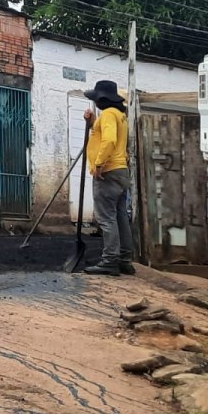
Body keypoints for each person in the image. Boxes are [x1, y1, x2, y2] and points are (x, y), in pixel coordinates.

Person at [81, 80, 133, 276]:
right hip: (121, 171)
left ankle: (110, 260)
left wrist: (100, 164)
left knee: (106, 218)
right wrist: (93, 123)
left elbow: (110, 140)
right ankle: (125, 260)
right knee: (120, 217)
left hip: (108, 172)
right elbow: (110, 135)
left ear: (102, 99)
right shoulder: (120, 115)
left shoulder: (109, 114)